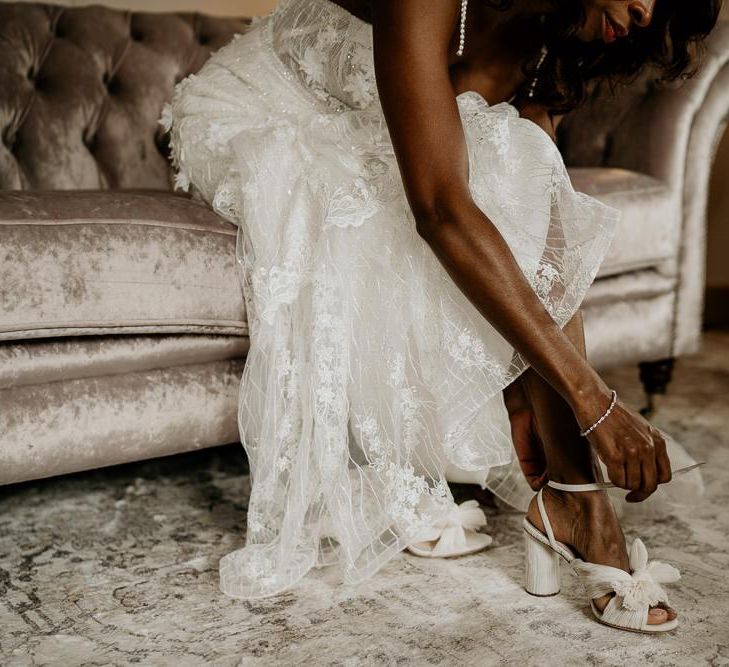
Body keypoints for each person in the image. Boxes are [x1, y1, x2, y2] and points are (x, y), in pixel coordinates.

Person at [161, 0, 719, 632]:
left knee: (516, 159)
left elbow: (539, 214)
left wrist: (522, 386)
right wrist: (596, 402)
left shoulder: (552, 42)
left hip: (384, 142)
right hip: (260, 111)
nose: (646, 12)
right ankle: (579, 511)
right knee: (397, 205)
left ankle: (576, 499)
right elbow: (440, 210)